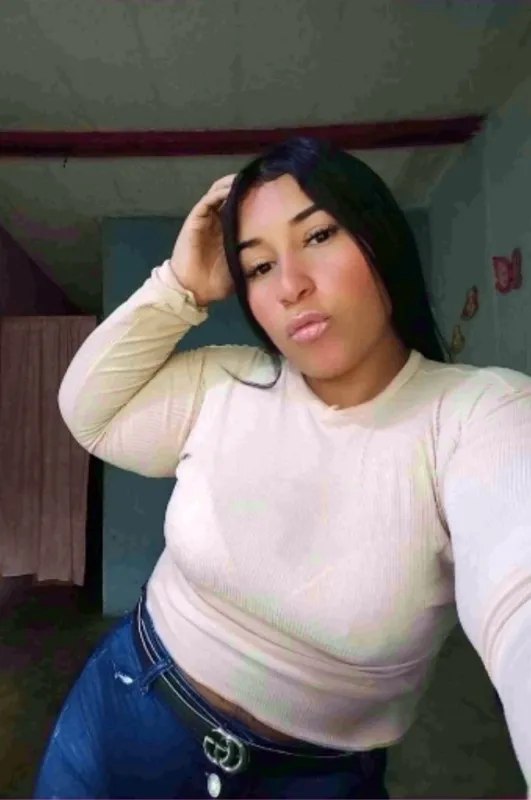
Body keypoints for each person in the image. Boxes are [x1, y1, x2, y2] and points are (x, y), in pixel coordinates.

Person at [34, 136, 531, 799]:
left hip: (311, 782)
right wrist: (179, 287)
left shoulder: (478, 416)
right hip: (124, 710)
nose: (291, 285)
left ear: (379, 236)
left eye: (318, 235)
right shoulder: (230, 382)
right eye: (259, 266)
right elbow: (88, 412)